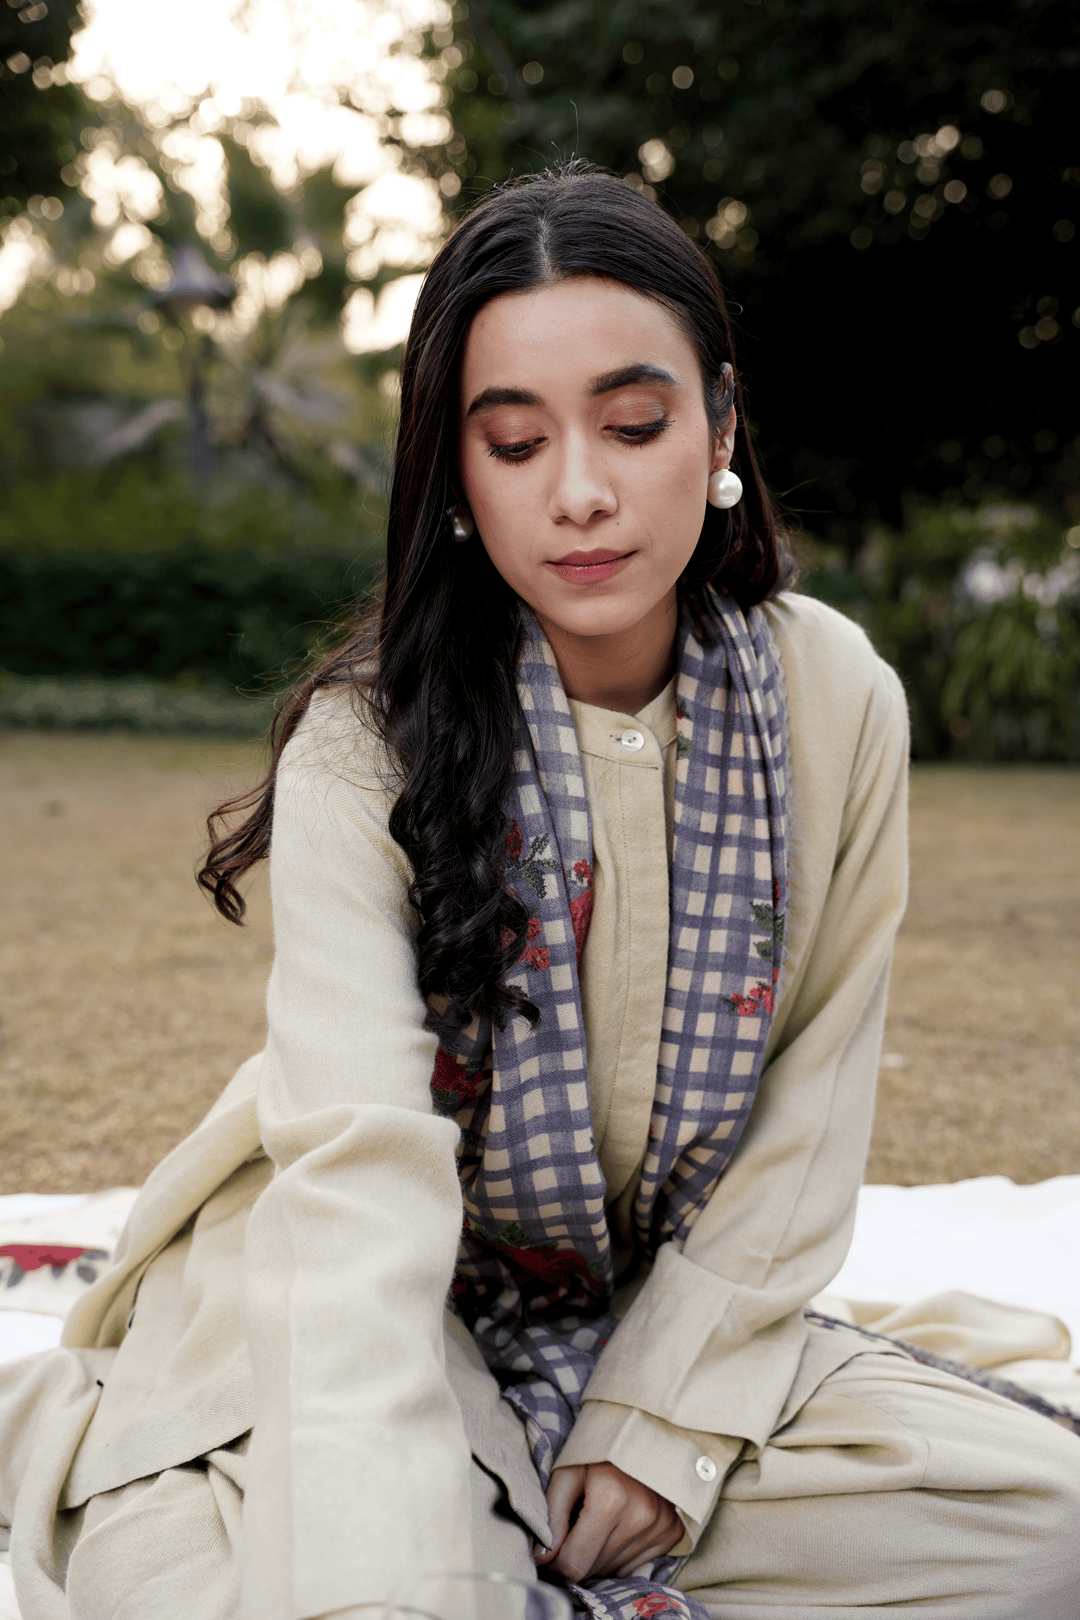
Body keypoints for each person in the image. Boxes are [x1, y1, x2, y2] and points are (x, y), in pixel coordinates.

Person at [1, 163, 1077, 1620]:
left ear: (721, 427)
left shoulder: (836, 700)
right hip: (363, 1294)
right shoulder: (364, 747)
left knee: (1046, 1529)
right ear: (456, 474)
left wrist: (661, 1425)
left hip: (636, 1307)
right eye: (514, 443)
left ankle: (529, 1513)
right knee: (249, 1587)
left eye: (633, 425)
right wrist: (389, 1545)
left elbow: (807, 1119)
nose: (580, 492)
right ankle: (87, 1431)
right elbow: (363, 1174)